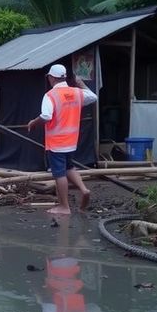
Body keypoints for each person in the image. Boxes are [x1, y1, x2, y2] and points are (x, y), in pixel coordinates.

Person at [27, 64, 97, 215]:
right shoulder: (77, 93)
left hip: (57, 142)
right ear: (64, 77)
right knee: (69, 167)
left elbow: (46, 116)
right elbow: (94, 97)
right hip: (71, 141)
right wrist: (81, 83)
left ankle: (64, 207)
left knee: (59, 174)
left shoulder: (50, 95)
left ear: (51, 78)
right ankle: (84, 189)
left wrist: (33, 122)